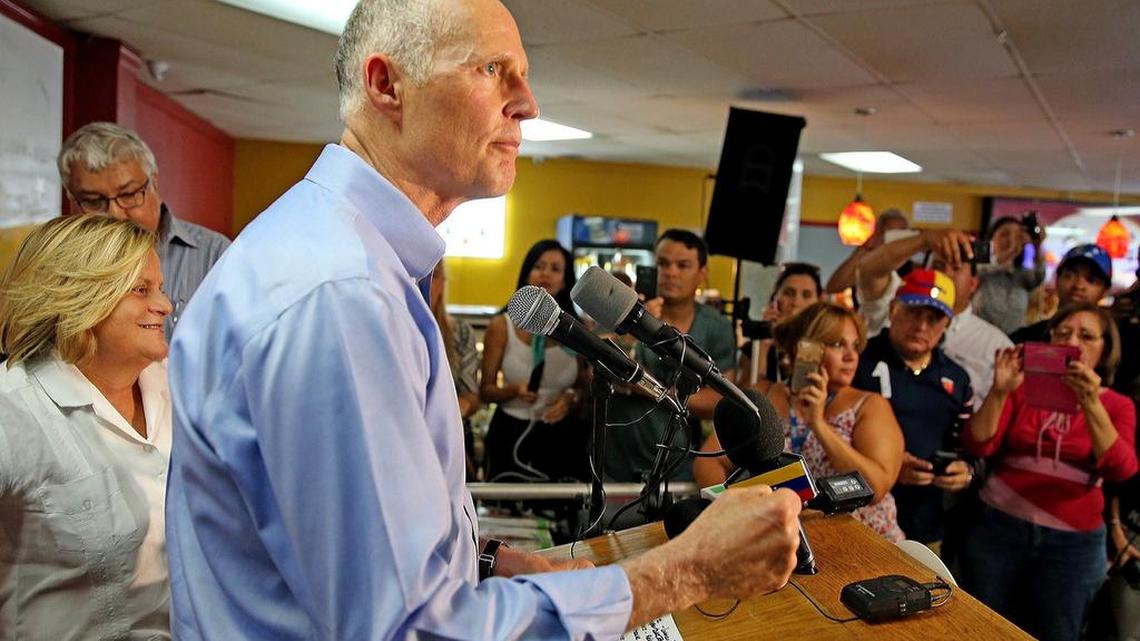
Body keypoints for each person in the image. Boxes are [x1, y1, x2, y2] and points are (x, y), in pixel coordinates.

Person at [164, 1, 802, 638]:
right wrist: (683, 573)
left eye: (522, 73)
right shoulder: (342, 296)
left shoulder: (346, 259)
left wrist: (483, 561)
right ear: (387, 85)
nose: (527, 103)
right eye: (492, 69)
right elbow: (408, 630)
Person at [0, 214, 173, 639]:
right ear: (82, 298)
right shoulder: (15, 410)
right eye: (141, 290)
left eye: (161, 288)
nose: (165, 306)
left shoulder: (176, 387)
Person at [961, 303, 1137, 641]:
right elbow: (978, 444)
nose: (1073, 342)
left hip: (1072, 544)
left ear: (1105, 350)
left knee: (1057, 632)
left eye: (1086, 336)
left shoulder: (1117, 404)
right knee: (980, 626)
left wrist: (1090, 402)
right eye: (1063, 333)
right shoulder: (1021, 388)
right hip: (998, 528)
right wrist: (999, 391)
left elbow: (1121, 468)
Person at [696, 302, 906, 541]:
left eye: (855, 346)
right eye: (837, 344)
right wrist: (736, 515)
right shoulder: (764, 395)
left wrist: (818, 424)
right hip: (781, 537)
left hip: (861, 540)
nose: (851, 356)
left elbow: (875, 488)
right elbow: (708, 461)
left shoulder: (869, 405)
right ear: (804, 348)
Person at [58, 122, 230, 340]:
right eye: (93, 201)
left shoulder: (215, 256)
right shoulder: (56, 265)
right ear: (71, 200)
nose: (115, 214)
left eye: (128, 194)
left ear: (154, 183)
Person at [852, 268, 975, 547]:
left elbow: (965, 444)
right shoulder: (858, 361)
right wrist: (890, 465)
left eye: (933, 318)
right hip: (860, 516)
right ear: (894, 310)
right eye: (914, 312)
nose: (922, 326)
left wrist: (964, 470)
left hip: (926, 524)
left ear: (946, 324)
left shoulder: (956, 378)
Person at [605, 229, 737, 484]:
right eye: (663, 264)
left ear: (702, 273)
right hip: (616, 464)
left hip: (680, 468)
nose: (671, 272)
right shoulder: (625, 313)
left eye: (683, 265)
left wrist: (651, 389)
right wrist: (632, 329)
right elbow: (600, 367)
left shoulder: (716, 326)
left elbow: (719, 401)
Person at [480, 239, 587, 483]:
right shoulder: (501, 326)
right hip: (510, 433)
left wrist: (571, 399)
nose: (545, 274)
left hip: (561, 438)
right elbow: (485, 391)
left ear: (565, 280)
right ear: (527, 272)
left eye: (555, 269)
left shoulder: (576, 331)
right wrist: (513, 390)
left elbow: (584, 386)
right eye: (539, 266)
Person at [430, 258, 481, 478]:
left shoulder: (460, 332)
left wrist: (451, 412)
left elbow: (472, 396)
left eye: (431, 277)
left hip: (451, 439)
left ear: (442, 283)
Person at [1010, 243, 1113, 344]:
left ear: (1104, 291)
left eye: (1091, 280)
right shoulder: (1025, 340)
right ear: (1057, 280)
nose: (1078, 285)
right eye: (1069, 276)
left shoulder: (1113, 345)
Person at [739, 262, 822, 384]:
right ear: (775, 299)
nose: (796, 302)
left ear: (818, 302)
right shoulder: (754, 347)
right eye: (788, 293)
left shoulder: (824, 346)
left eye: (806, 295)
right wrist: (764, 341)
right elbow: (746, 394)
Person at [975, 215, 1045, 335]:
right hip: (979, 338)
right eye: (1004, 234)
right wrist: (1005, 258)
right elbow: (976, 272)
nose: (1011, 240)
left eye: (1017, 236)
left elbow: (1038, 277)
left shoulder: (1022, 274)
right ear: (992, 238)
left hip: (1012, 341)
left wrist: (1037, 245)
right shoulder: (980, 265)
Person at [825, 208, 910, 295]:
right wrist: (863, 249)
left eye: (900, 234)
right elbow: (834, 287)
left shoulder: (911, 267)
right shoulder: (868, 264)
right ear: (879, 233)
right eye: (890, 233)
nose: (895, 239)